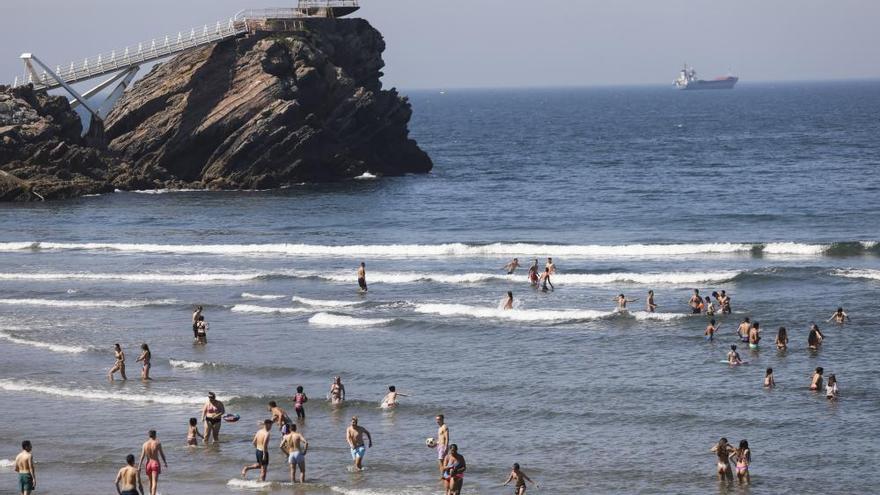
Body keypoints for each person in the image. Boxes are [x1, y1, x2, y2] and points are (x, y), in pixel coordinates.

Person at [137, 430, 167, 495]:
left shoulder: (144, 444)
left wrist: (139, 466)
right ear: (155, 435)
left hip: (148, 464)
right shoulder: (157, 443)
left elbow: (142, 456)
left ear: (149, 435)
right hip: (155, 463)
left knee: (150, 482)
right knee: (154, 482)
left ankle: (150, 494)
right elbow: (162, 454)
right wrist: (165, 462)